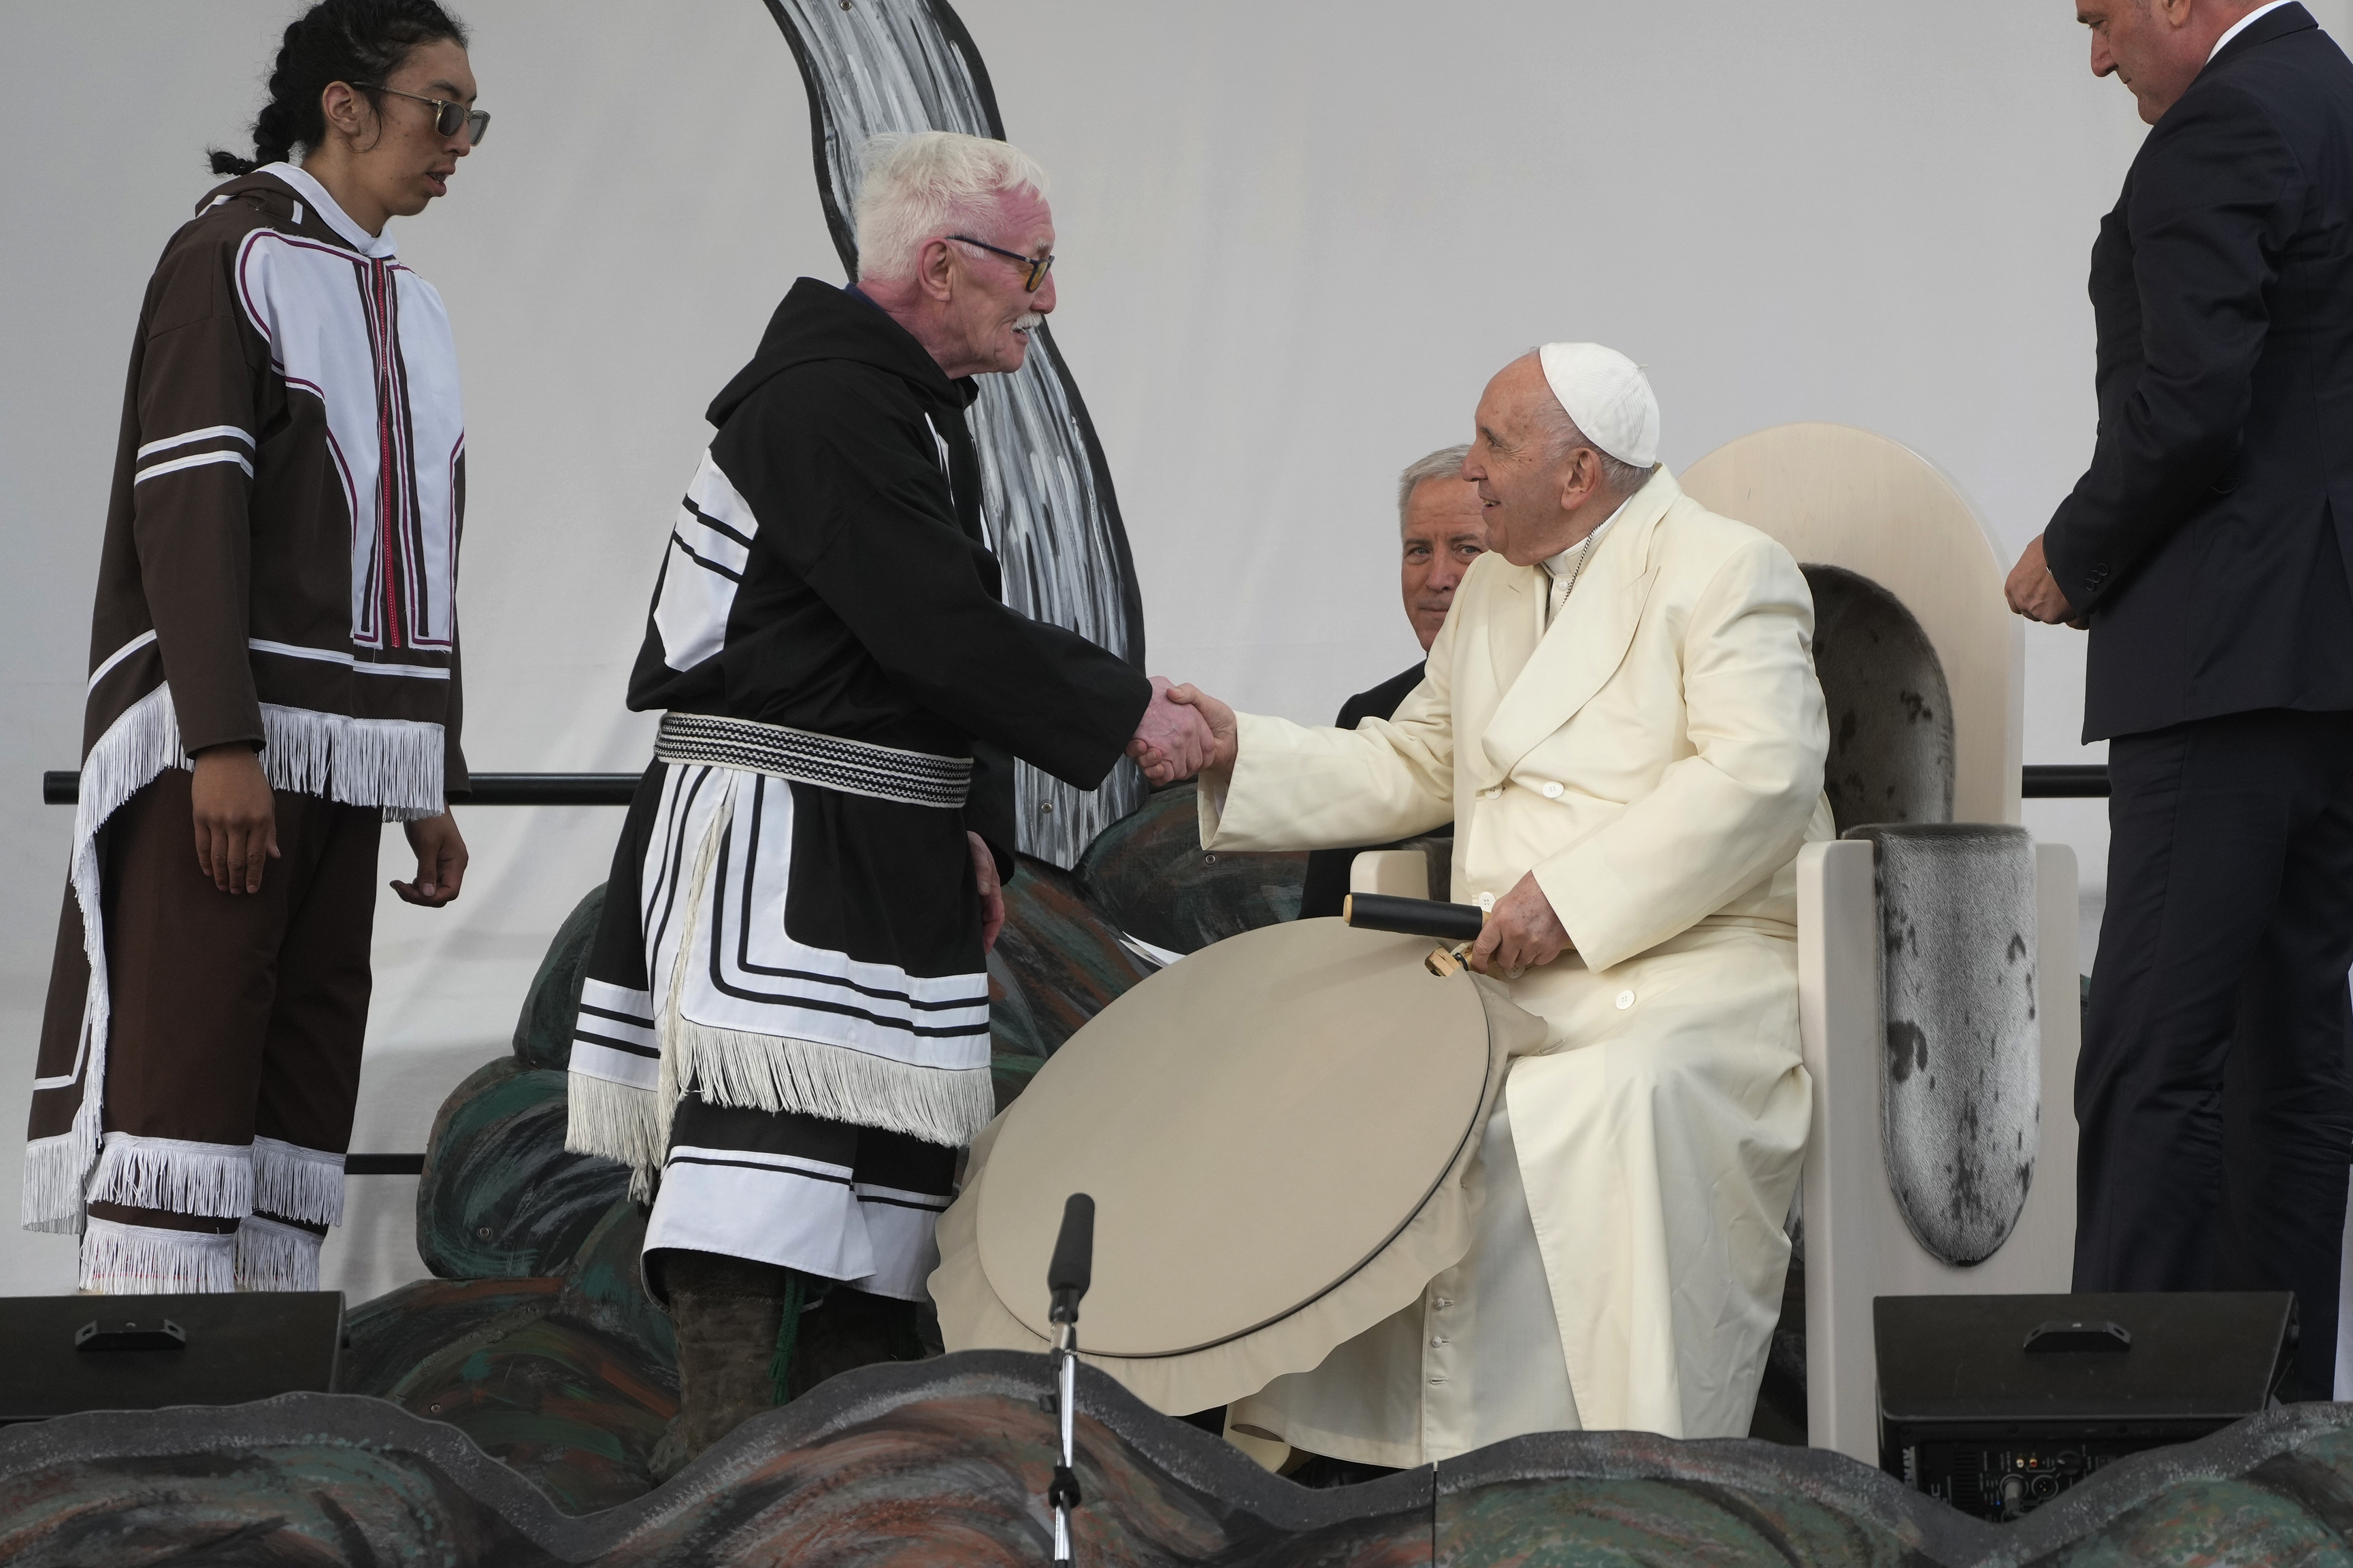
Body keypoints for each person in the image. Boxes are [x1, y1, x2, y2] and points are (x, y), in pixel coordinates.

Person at [563, 130, 1208, 1471]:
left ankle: (856, 1491)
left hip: (876, 828)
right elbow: (925, 625)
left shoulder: (893, 402)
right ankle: (726, 1476)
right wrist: (1125, 707)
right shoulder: (828, 400)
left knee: (876, 1193)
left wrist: (964, 822)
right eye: (1029, 264)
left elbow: (905, 632)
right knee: (758, 1170)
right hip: (783, 831)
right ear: (936, 264)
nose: (1046, 294)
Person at [1142, 344, 1832, 1465]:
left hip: (1685, 956)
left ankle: (1614, 1465)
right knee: (1362, 1090)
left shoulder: (1725, 570)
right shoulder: (1498, 588)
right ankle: (1380, 1465)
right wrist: (1242, 749)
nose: (1469, 474)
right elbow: (1420, 759)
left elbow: (1759, 776)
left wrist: (1571, 898)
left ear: (1577, 475)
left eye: (1492, 447)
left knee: (1605, 1097)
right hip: (1505, 960)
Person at [20, 0, 482, 1292]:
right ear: (343, 105)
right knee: (191, 1064)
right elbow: (188, 507)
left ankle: (260, 1403)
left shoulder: (412, 304)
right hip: (225, 752)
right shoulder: (228, 258)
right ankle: (149, 1433)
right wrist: (220, 739)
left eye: (470, 120)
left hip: (347, 761)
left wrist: (428, 772)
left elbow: (429, 549)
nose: (458, 143)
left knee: (300, 1066)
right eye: (440, 110)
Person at [2005, 0, 2353, 1399]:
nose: (2095, 58)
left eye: (2098, 21)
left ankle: (2112, 1445)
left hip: (2218, 662)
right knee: (2292, 1046)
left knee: (2149, 1051)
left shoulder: (2222, 122)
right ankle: (2282, 1444)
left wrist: (2070, 553)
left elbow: (2190, 400)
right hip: (2325, 662)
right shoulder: (2330, 97)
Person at [1296, 445, 1486, 920]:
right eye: (1419, 550)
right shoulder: (1368, 715)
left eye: (1466, 549)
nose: (1438, 577)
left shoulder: (1569, 696)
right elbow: (1324, 920)